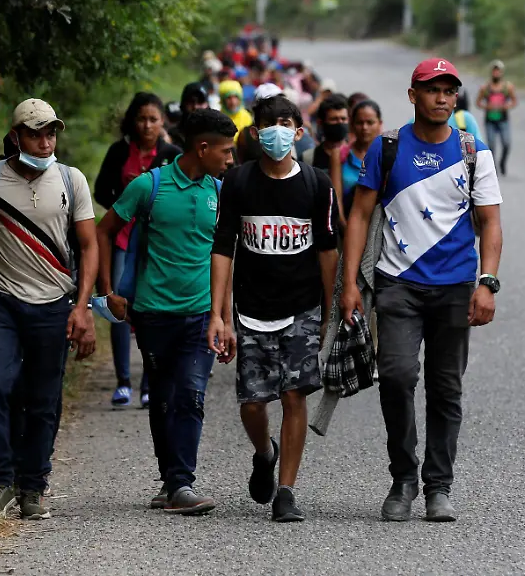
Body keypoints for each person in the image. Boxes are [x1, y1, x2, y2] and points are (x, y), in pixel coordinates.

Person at [340, 58, 503, 523]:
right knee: (395, 376)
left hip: (454, 287)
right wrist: (349, 284)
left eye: (449, 90)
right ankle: (403, 478)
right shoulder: (386, 149)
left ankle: (438, 486)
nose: (442, 98)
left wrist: (487, 283)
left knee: (446, 388)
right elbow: (358, 215)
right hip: (398, 284)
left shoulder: (475, 153)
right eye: (433, 90)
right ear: (413, 95)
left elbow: (491, 223)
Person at [95, 109, 239, 515]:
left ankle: (181, 483)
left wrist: (224, 319)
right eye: (225, 151)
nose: (230, 160)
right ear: (202, 147)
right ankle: (170, 481)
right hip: (154, 314)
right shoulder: (149, 186)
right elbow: (103, 232)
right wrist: (108, 292)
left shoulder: (219, 192)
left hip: (200, 315)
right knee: (161, 397)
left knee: (191, 394)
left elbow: (223, 259)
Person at [0, 98, 98, 521]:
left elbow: (90, 245)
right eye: (36, 133)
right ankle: (0, 481)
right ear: (16, 136)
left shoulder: (71, 180)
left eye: (51, 132)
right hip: (0, 301)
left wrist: (83, 307)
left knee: (43, 398)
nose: (45, 141)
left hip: (54, 305)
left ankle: (33, 486)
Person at [208, 94, 340, 523]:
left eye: (286, 123)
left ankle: (286, 490)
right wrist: (219, 314)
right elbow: (223, 247)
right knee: (252, 401)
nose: (278, 131)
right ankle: (264, 452)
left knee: (293, 394)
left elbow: (327, 250)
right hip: (250, 308)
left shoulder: (318, 185)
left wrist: (328, 311)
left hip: (301, 307)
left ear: (299, 132)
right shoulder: (240, 182)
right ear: (255, 132)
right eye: (269, 123)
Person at [93, 92, 181, 408]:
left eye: (153, 119)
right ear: (132, 121)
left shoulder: (172, 154)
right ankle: (122, 382)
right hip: (121, 239)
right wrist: (124, 205)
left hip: (156, 244)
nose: (147, 125)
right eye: (141, 119)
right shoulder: (119, 152)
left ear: (162, 123)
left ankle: (148, 383)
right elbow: (101, 189)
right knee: (119, 305)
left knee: (150, 310)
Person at [331, 99, 382, 226]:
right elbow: (336, 198)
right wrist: (345, 227)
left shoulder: (389, 155)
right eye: (360, 123)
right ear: (352, 125)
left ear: (379, 124)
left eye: (370, 122)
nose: (365, 128)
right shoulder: (339, 155)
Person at [475, 60, 518, 175]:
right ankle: (493, 167)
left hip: (503, 119)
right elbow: (478, 103)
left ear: (501, 72)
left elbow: (514, 101)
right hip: (490, 120)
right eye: (494, 71)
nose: (496, 73)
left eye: (498, 71)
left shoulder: (507, 87)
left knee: (506, 143)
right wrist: (487, 106)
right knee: (492, 145)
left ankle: (502, 162)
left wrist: (506, 106)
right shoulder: (485, 88)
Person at [310, 94, 350, 170]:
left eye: (343, 119)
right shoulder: (309, 158)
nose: (340, 123)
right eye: (334, 119)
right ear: (320, 123)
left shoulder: (356, 155)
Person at [168, 83, 211, 150]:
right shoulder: (171, 136)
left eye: (200, 102)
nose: (195, 107)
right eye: (191, 101)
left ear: (207, 105)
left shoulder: (214, 136)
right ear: (183, 104)